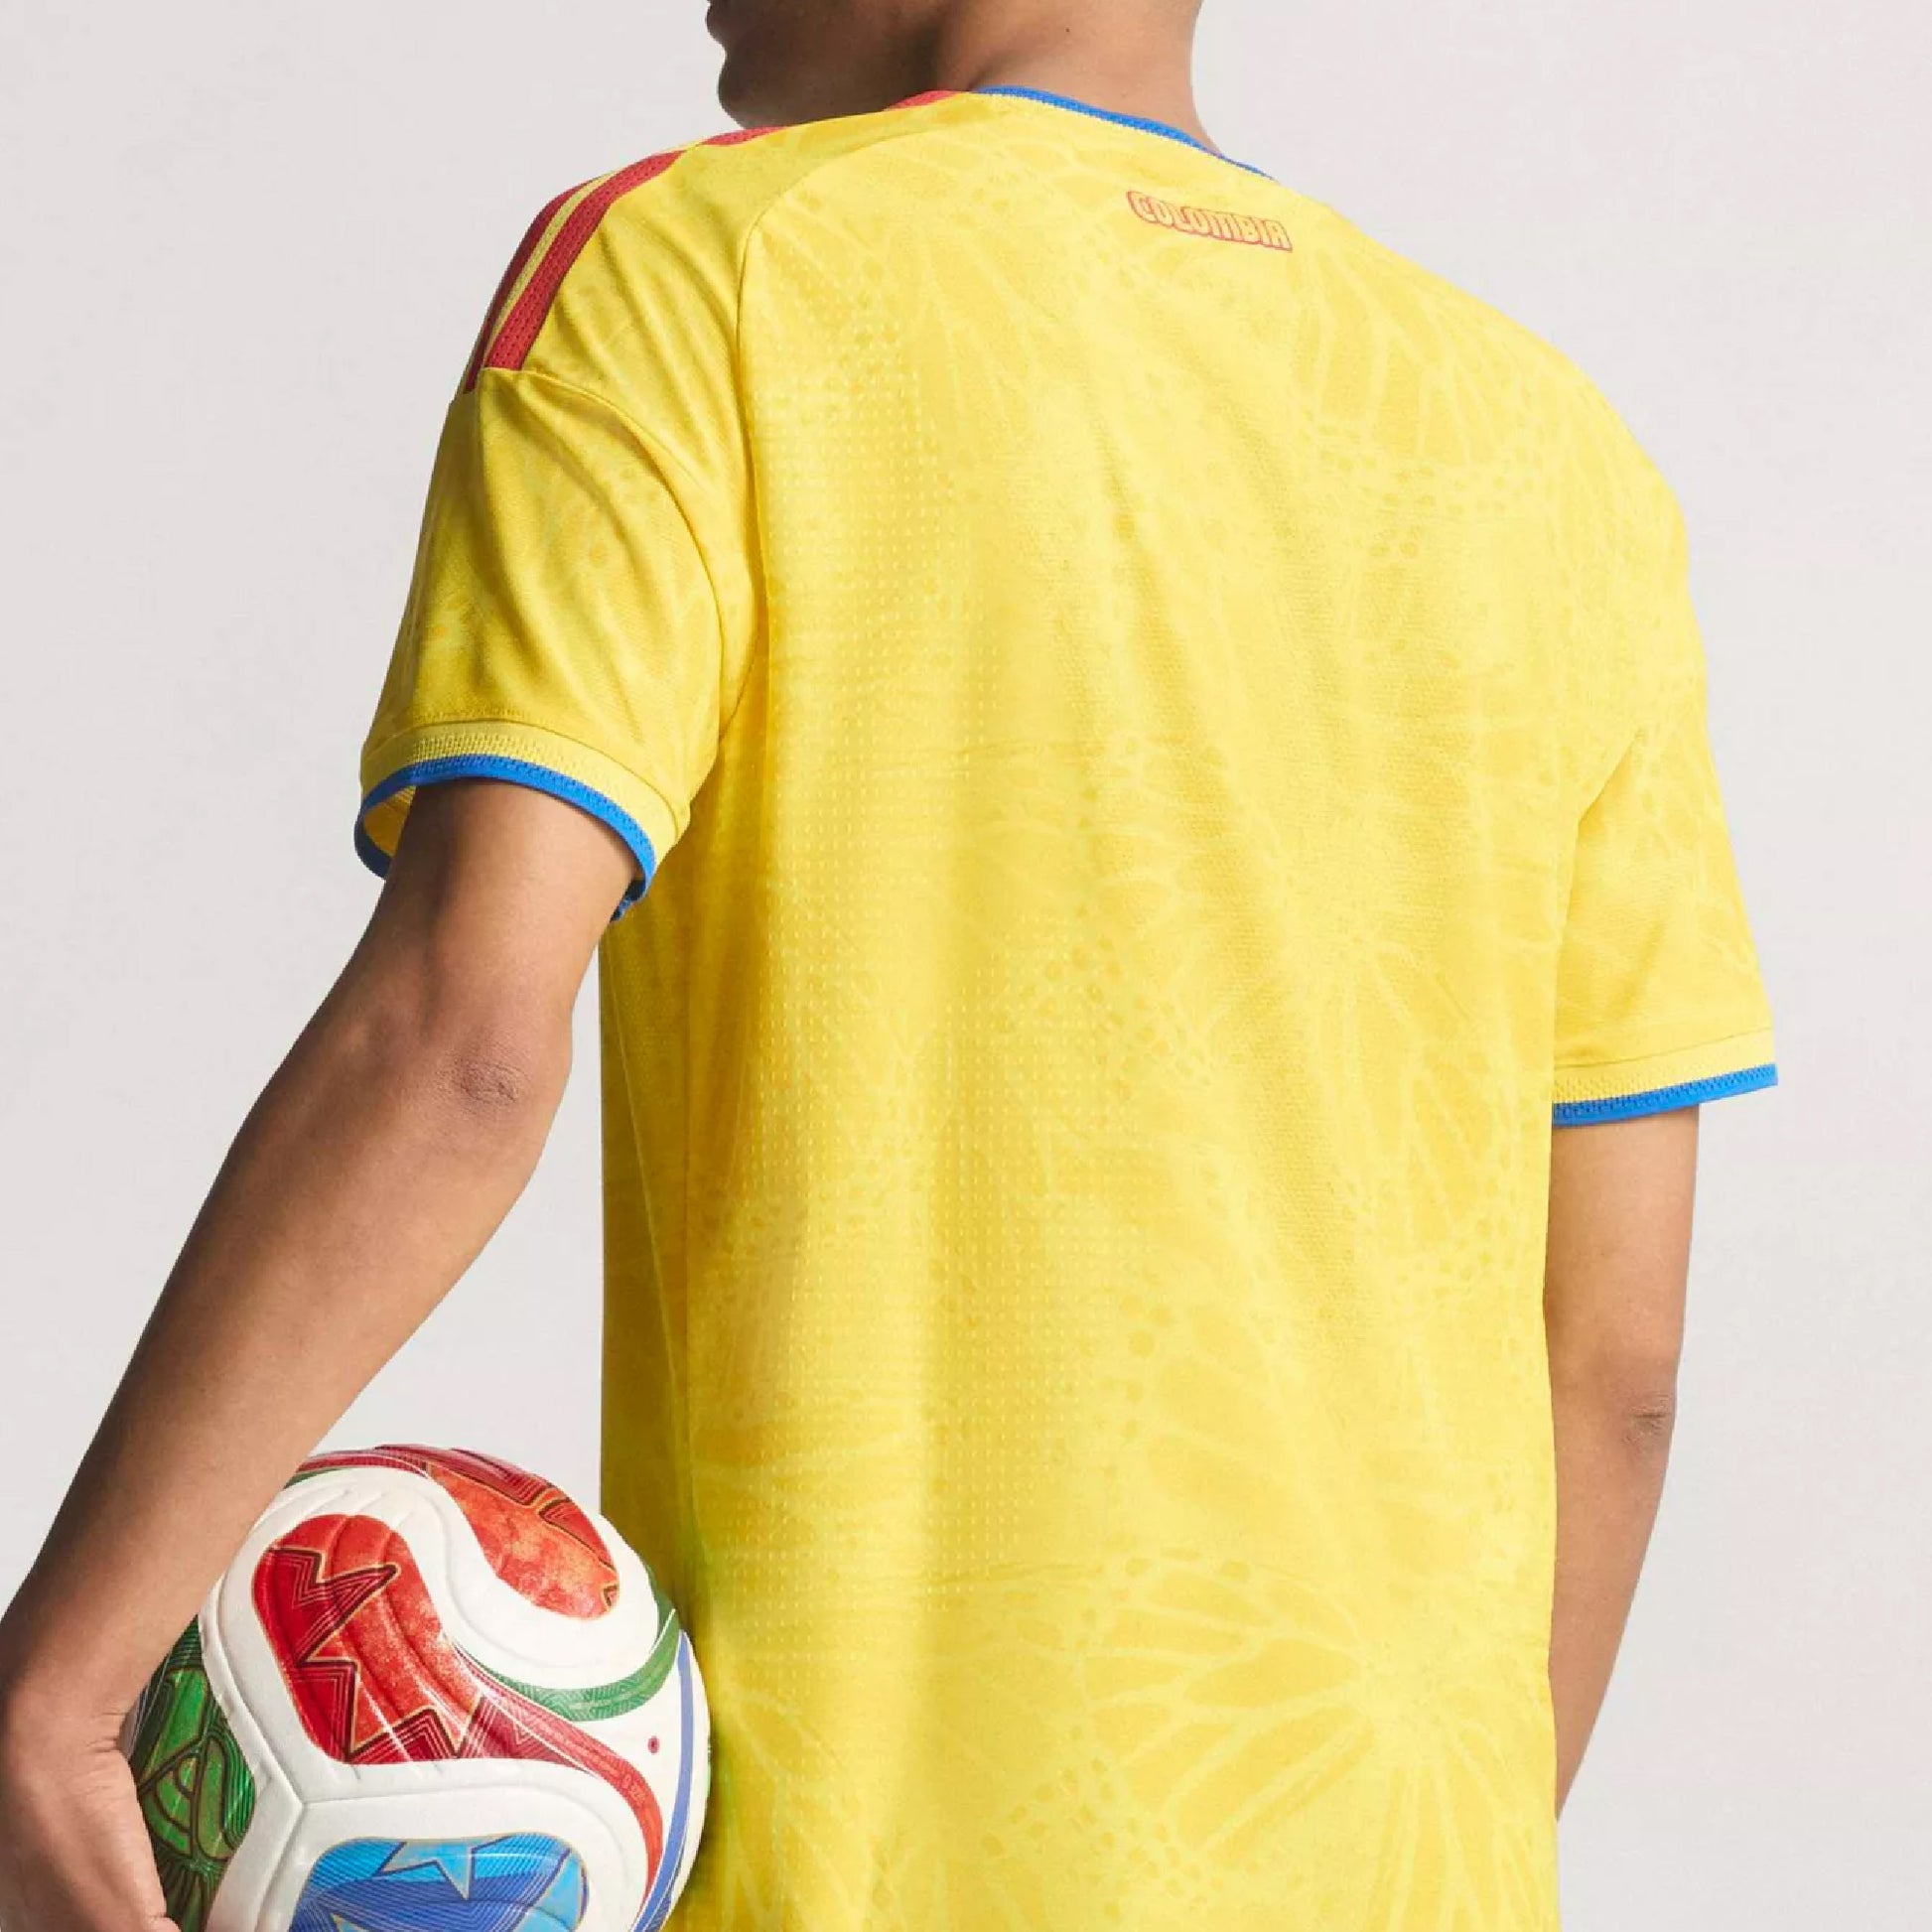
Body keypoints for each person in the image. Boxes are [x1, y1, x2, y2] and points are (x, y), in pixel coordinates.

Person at [0, 1, 1778, 1927]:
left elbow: (462, 1042)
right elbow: (1610, 1363)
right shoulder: (1555, 457)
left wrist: (60, 1692)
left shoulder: (699, 272)